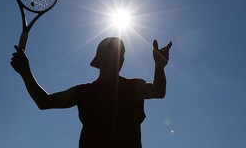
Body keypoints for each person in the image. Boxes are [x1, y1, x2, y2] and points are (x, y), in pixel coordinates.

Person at [11, 37, 172, 148]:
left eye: (122, 54)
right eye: (114, 53)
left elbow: (158, 91)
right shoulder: (83, 92)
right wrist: (25, 72)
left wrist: (159, 66)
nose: (120, 57)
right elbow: (44, 102)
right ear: (100, 58)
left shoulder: (133, 86)